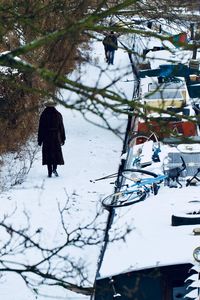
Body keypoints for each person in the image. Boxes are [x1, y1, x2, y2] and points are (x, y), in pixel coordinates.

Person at [38, 99, 66, 177]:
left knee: (48, 154)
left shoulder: (43, 115)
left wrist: (40, 140)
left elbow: (41, 128)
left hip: (47, 137)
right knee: (55, 153)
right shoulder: (58, 114)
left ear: (46, 106)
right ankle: (54, 169)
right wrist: (63, 138)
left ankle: (49, 172)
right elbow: (61, 128)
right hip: (56, 137)